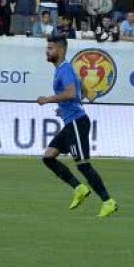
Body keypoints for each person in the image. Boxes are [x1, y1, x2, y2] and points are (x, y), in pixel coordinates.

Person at [37, 36, 118, 218]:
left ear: (61, 50)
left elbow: (72, 92)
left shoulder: (65, 69)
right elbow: (81, 91)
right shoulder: (62, 70)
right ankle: (79, 188)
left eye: (50, 48)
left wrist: (48, 99)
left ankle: (108, 202)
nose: (47, 51)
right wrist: (64, 109)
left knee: (83, 165)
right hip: (70, 120)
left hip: (76, 122)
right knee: (48, 157)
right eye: (47, 48)